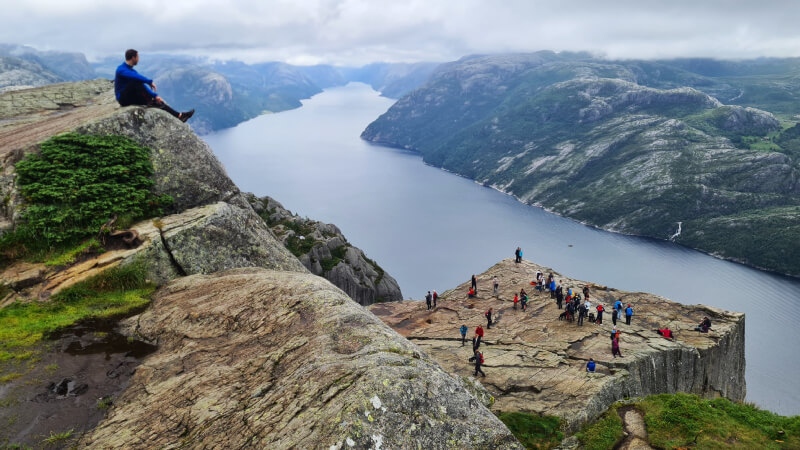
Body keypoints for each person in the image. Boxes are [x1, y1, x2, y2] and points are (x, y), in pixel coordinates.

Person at [114, 49, 194, 122]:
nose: (139, 59)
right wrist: (149, 82)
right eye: (138, 57)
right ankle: (151, 101)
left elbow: (141, 85)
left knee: (158, 102)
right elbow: (136, 78)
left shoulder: (131, 70)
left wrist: (154, 95)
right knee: (135, 82)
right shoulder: (121, 69)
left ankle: (179, 115)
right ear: (133, 58)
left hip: (130, 97)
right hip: (122, 99)